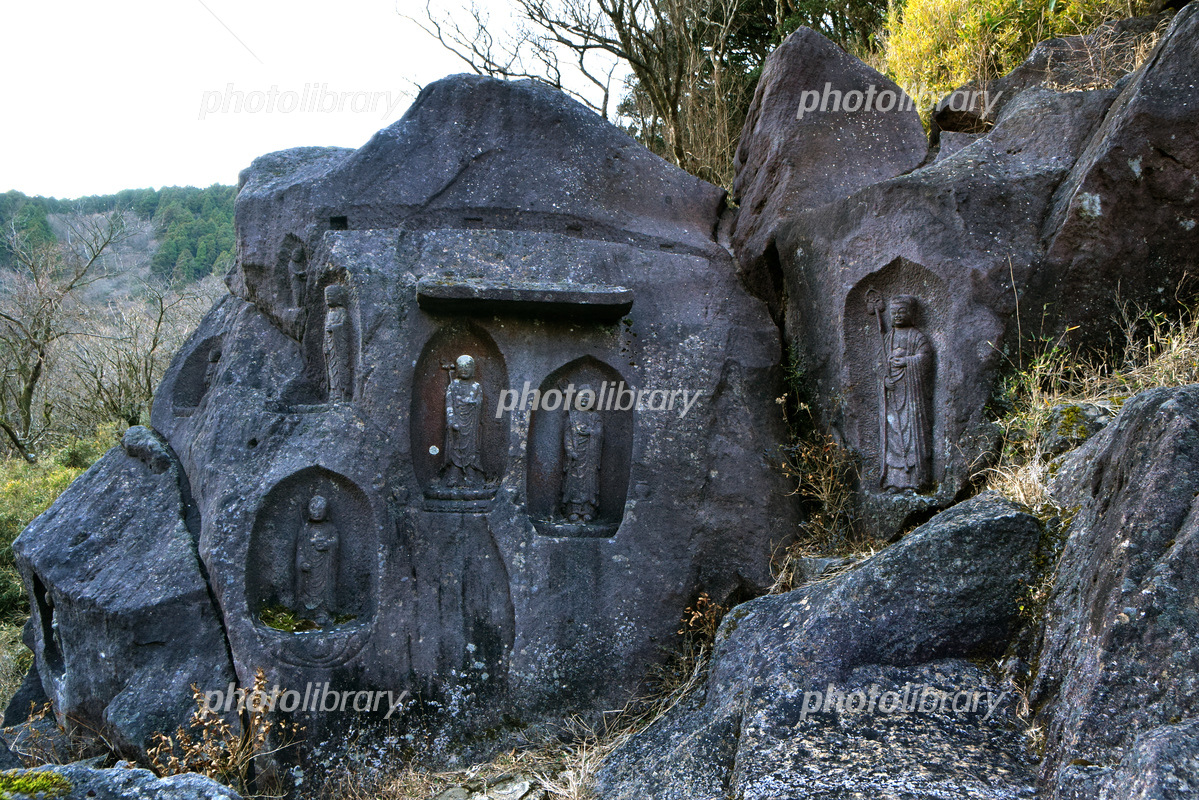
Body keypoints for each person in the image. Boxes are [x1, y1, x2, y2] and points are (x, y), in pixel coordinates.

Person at [879, 295, 933, 491]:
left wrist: (907, 362)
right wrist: (884, 380)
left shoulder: (917, 336)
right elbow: (879, 365)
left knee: (913, 434)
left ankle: (915, 480)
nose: (897, 316)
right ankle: (894, 480)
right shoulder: (887, 338)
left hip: (912, 395)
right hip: (892, 395)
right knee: (893, 435)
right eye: (894, 312)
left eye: (902, 312)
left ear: (911, 314)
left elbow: (926, 358)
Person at [295, 495, 339, 626]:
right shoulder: (305, 529)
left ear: (326, 512)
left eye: (320, 510)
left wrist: (327, 545)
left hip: (324, 567)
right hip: (309, 567)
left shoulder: (331, 529)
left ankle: (322, 611)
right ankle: (304, 611)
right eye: (314, 509)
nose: (317, 513)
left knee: (324, 589)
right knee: (306, 588)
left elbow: (335, 543)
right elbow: (300, 550)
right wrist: (302, 562)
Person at [562, 385, 603, 522]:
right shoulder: (572, 417)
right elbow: (567, 437)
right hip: (575, 456)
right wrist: (570, 451)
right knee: (574, 480)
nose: (585, 399)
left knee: (589, 482)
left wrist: (590, 432)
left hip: (590, 456)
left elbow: (599, 433)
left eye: (588, 397)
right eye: (582, 396)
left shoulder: (595, 417)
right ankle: (573, 510)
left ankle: (587, 510)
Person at [443, 354, 485, 487]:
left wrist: (474, 403)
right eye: (461, 367)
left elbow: (479, 402)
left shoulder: (476, 386)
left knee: (471, 448)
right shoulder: (453, 386)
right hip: (457, 422)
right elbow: (449, 404)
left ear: (473, 369)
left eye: (468, 367)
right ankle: (454, 474)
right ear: (457, 369)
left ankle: (471, 474)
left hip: (471, 423)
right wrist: (451, 420)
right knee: (455, 447)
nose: (464, 370)